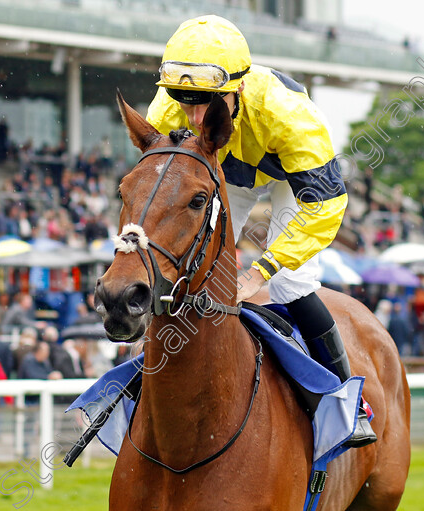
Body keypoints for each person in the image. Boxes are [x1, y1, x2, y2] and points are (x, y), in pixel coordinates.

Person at [146, 15, 373, 447]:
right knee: (184, 267)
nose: (193, 117)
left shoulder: (291, 118)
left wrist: (260, 271)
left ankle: (349, 402)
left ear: (240, 89)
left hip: (289, 177)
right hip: (223, 166)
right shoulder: (168, 110)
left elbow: (325, 207)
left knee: (291, 283)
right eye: (184, 100)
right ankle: (143, 381)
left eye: (206, 103)